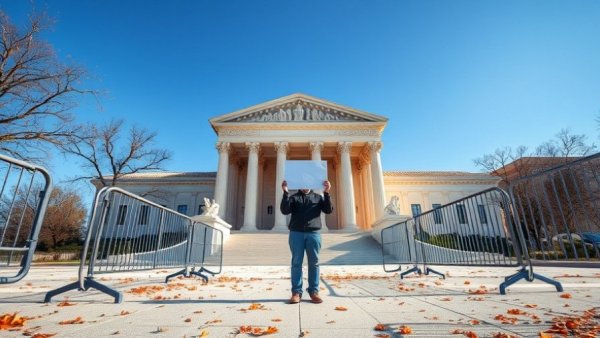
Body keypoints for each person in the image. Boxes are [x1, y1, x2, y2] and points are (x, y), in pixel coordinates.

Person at [280, 179, 333, 304]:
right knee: (296, 262)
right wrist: (285, 193)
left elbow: (328, 210)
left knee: (314, 263)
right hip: (296, 233)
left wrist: (326, 193)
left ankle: (314, 292)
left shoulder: (318, 197)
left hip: (313, 234)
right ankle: (296, 292)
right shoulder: (294, 198)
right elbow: (285, 210)